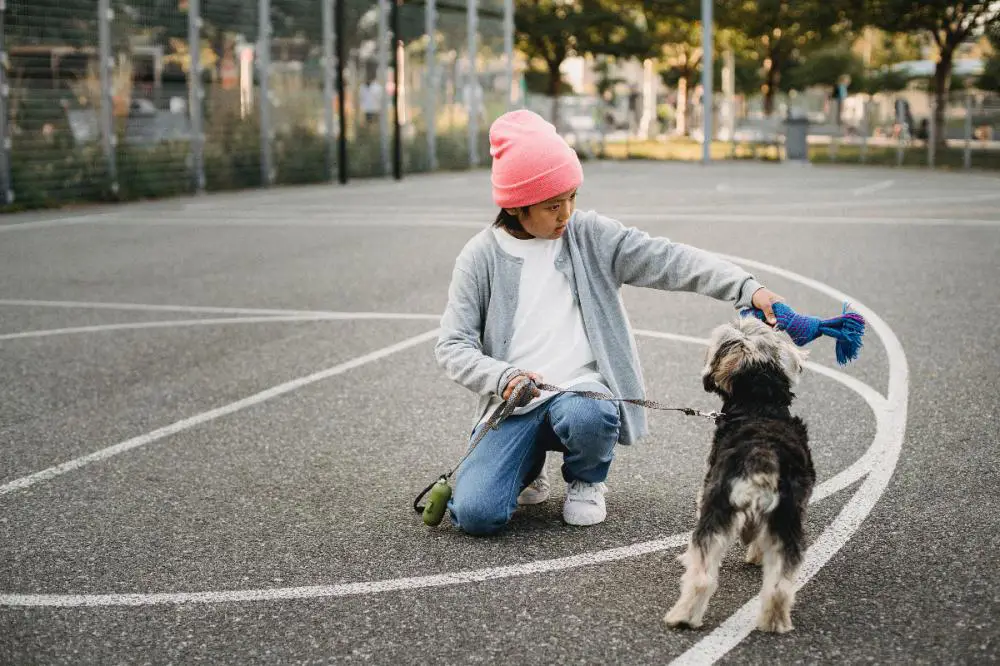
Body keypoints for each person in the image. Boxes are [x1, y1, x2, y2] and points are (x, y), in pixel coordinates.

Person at [435, 110, 783, 536]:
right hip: (515, 402)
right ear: (516, 206)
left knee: (589, 409)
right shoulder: (479, 256)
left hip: (581, 394)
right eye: (552, 205)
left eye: (572, 197)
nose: (566, 213)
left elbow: (669, 259)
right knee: (476, 515)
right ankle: (527, 465)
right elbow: (452, 345)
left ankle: (586, 479)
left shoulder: (589, 235)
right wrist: (502, 375)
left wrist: (747, 288)